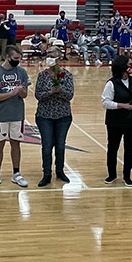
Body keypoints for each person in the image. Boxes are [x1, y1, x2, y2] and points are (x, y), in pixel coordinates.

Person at [0, 45, 31, 189]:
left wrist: (22, 91)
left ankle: (16, 173)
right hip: (1, 115)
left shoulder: (22, 72)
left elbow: (25, 95)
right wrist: (11, 93)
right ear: (7, 57)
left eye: (20, 58)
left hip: (17, 114)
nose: (18, 61)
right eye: (15, 58)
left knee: (15, 144)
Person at [34, 47, 74, 186]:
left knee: (60, 145)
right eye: (48, 54)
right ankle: (46, 174)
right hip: (44, 115)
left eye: (52, 54)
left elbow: (70, 95)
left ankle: (60, 171)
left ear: (59, 57)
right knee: (46, 146)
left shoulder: (67, 75)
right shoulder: (42, 75)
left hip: (63, 116)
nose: (49, 56)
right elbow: (38, 95)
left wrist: (60, 90)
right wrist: (50, 92)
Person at [102, 54, 132, 184]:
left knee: (129, 149)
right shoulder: (111, 83)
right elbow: (105, 102)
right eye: (129, 64)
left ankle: (127, 176)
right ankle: (112, 174)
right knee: (113, 148)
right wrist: (122, 106)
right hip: (115, 122)